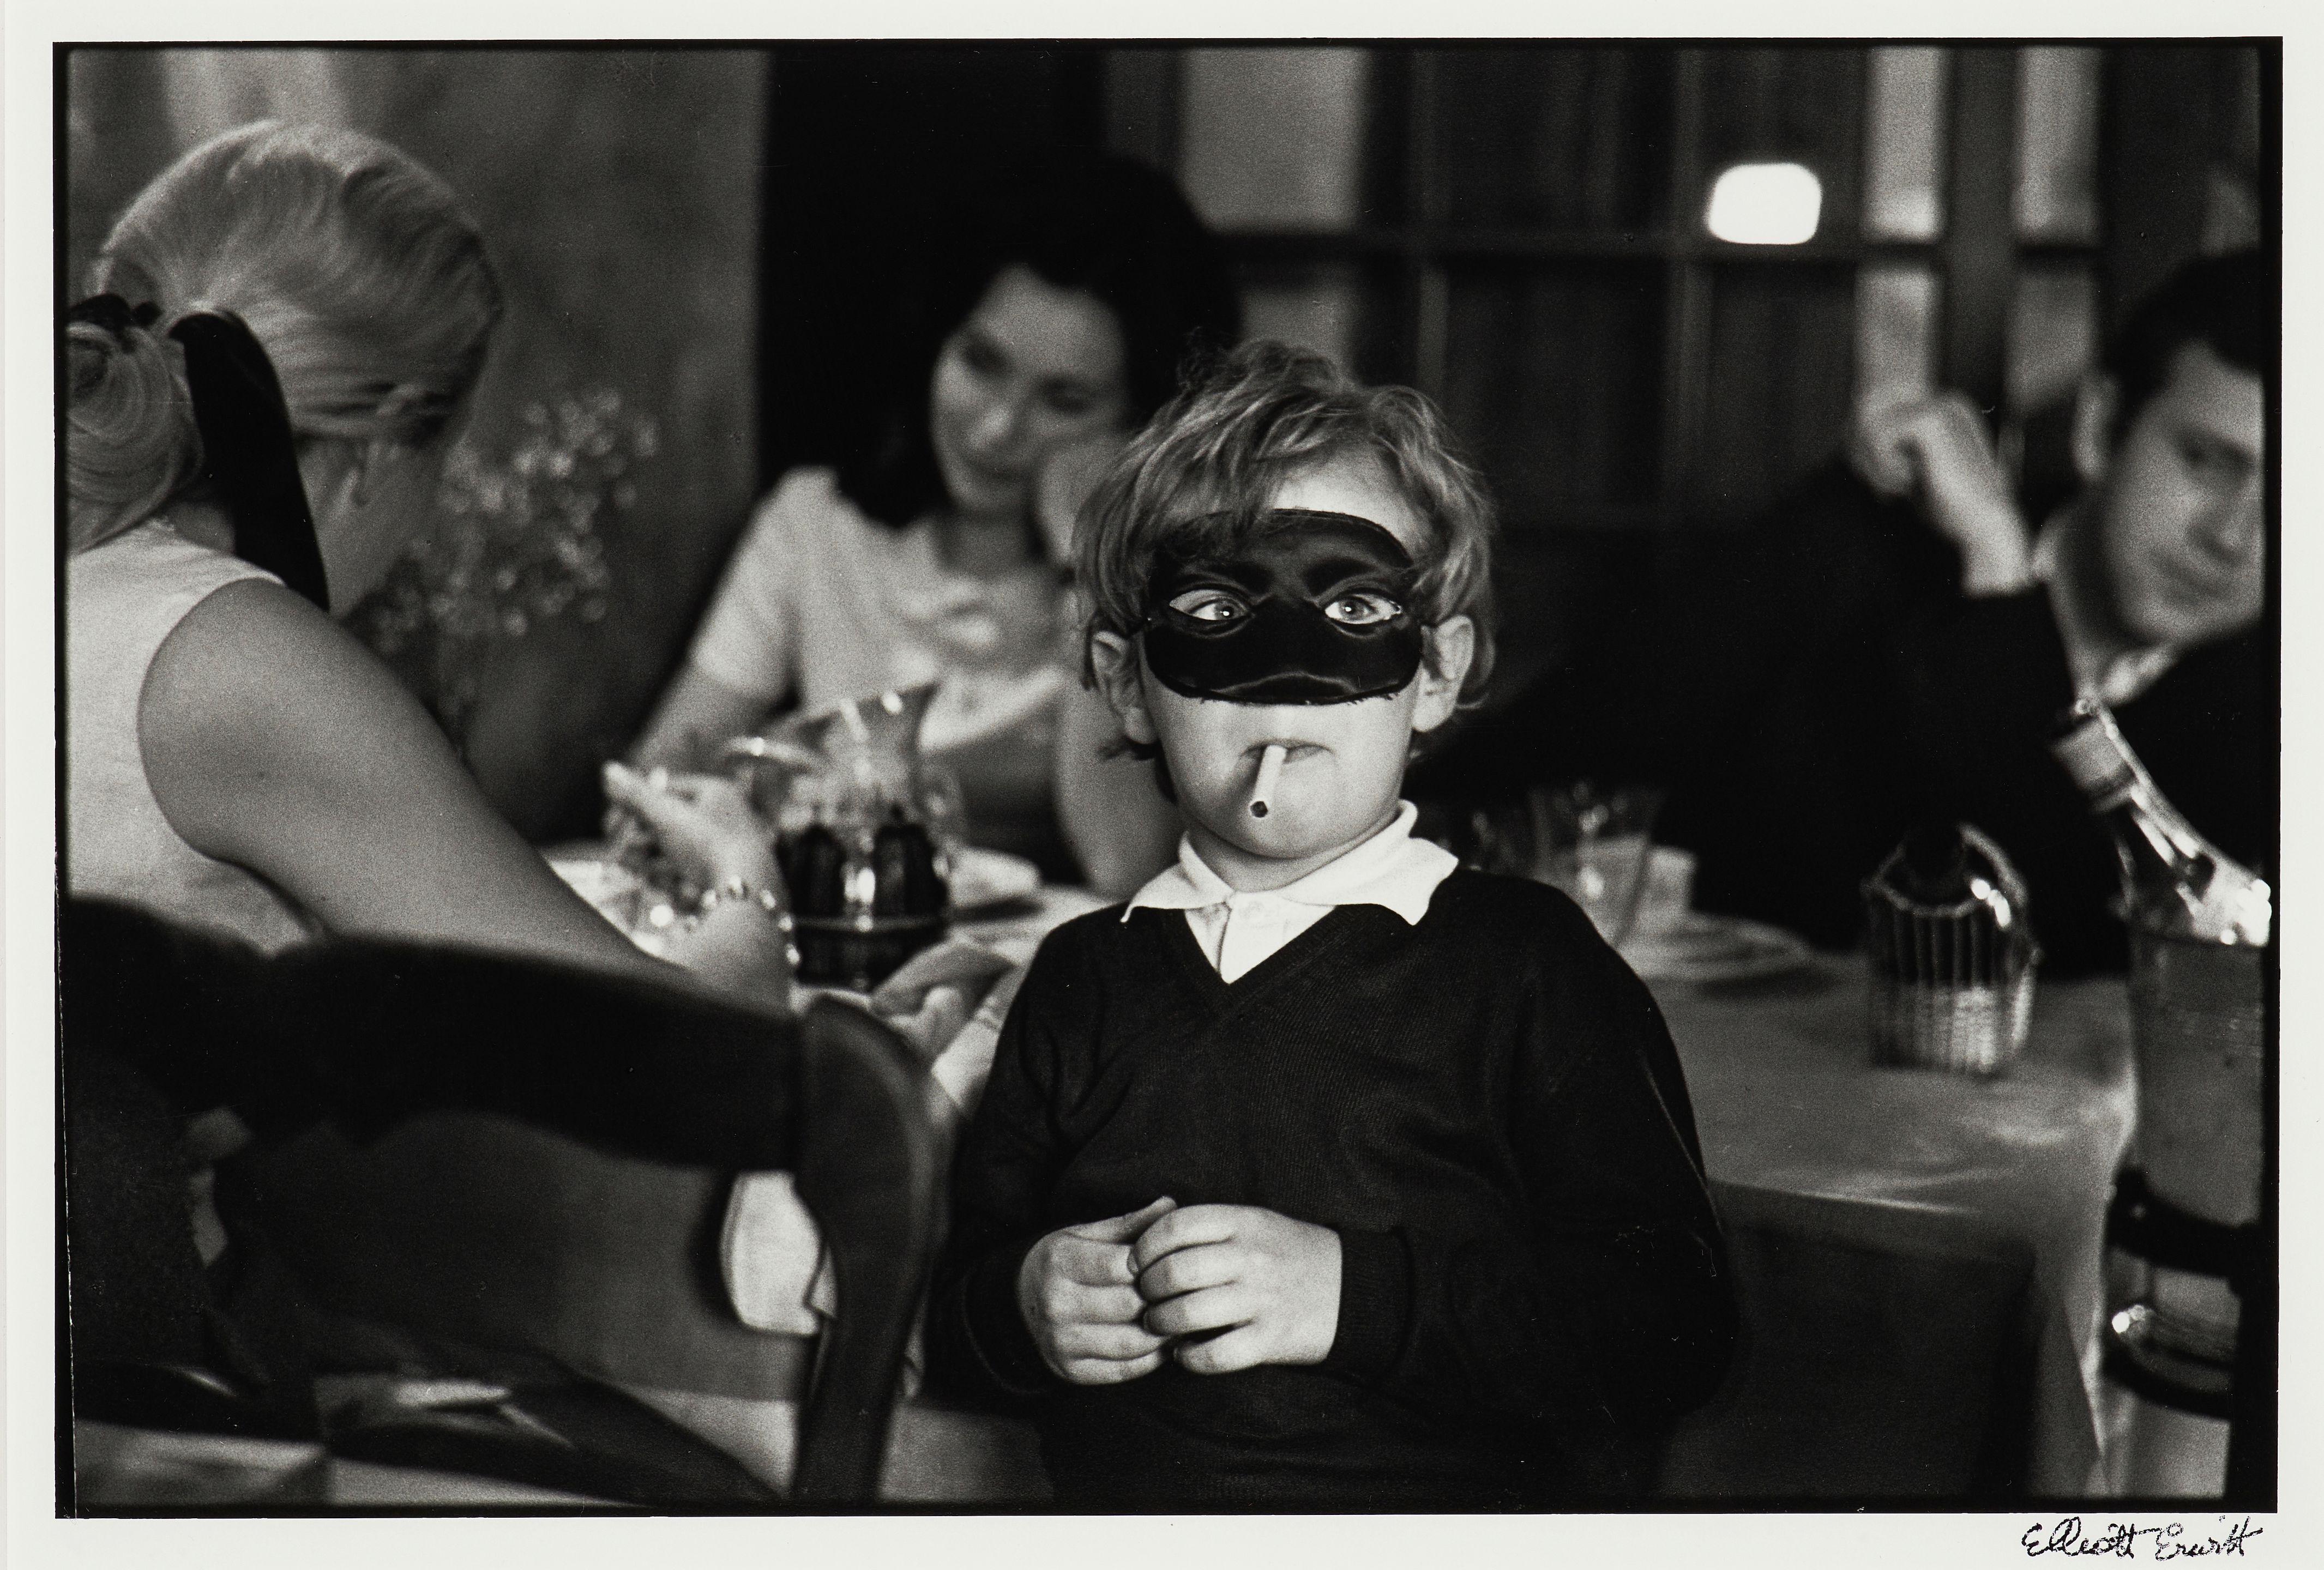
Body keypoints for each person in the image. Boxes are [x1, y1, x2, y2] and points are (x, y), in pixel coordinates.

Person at [922, 344, 1736, 1508]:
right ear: (1125, 680)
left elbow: (1671, 1330)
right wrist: (1025, 1305)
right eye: (1214, 610)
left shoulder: (1524, 969)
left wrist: (1350, 1298)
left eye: (1354, 607)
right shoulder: (1079, 982)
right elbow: (959, 1308)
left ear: (1437, 671)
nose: (1285, 678)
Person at [65, 120, 790, 1006]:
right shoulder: (230, 653)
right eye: (440, 463)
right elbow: (672, 1063)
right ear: (378, 454)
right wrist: (745, 887)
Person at [1649, 249, 2273, 973]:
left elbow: (2073, 951)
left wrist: (2003, 595)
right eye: (2204, 460)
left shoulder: (2277, 711)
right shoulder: (1855, 558)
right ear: (2098, 427)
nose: (2232, 538)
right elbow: (1535, 785)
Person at [631, 152, 1241, 893]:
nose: (995, 428)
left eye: (1064, 401)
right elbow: (657, 784)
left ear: (1142, 424)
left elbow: (1126, 863)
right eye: (980, 363)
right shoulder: (817, 525)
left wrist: (1095, 559)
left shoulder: (1172, 588)